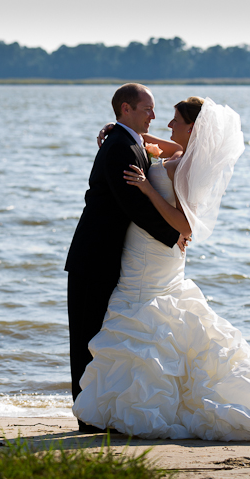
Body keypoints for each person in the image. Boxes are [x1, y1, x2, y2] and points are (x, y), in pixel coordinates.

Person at [72, 96, 250, 440]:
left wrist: (147, 187)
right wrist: (121, 130)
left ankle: (129, 403)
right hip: (155, 254)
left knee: (146, 316)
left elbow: (184, 226)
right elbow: (169, 145)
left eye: (175, 120)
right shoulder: (186, 157)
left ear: (193, 127)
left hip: (155, 252)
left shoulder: (184, 166)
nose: (167, 125)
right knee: (155, 319)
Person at [64, 83, 187, 433]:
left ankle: (97, 410)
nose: (154, 115)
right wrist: (173, 235)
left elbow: (175, 153)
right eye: (147, 108)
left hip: (109, 257)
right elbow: (131, 204)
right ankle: (87, 418)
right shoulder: (120, 145)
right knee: (87, 339)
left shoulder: (127, 140)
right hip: (94, 257)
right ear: (126, 109)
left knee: (101, 337)